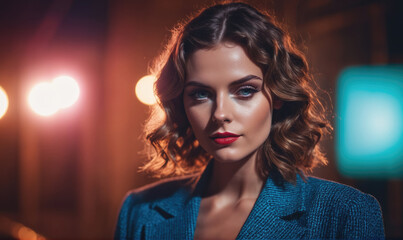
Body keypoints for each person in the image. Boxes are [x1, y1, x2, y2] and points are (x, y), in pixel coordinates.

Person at [115, 2, 384, 239]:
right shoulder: (139, 211)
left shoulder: (345, 213)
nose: (220, 113)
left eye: (245, 91)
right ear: (181, 104)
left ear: (277, 94)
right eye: (200, 94)